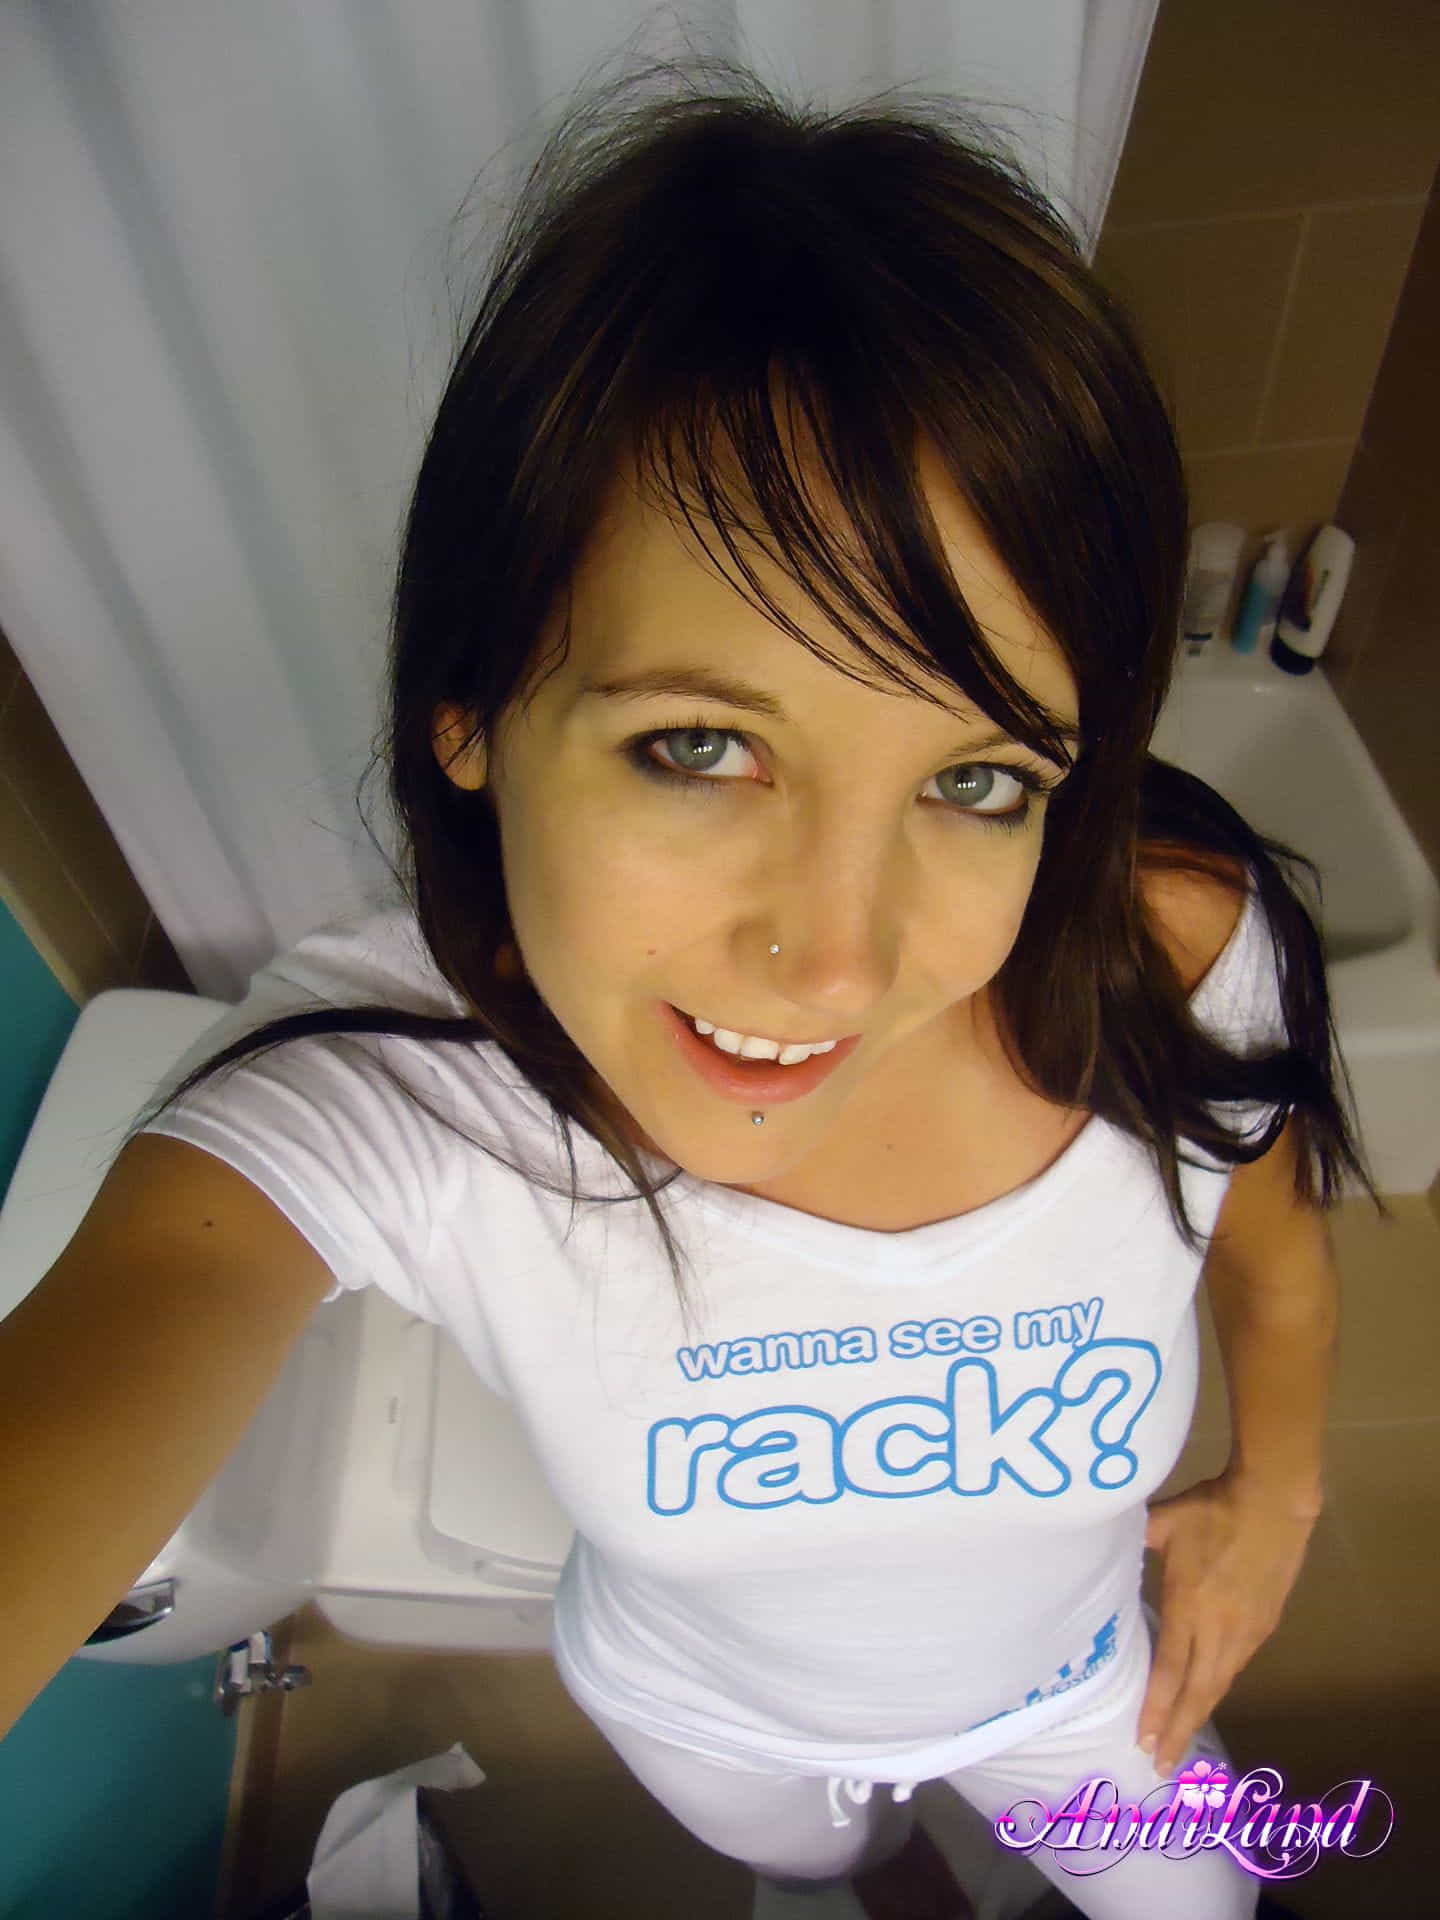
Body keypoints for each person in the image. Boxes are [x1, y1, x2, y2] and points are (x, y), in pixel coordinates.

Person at [1, 50, 1376, 1920]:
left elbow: (1277, 1263)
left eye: (980, 780)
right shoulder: (394, 1096)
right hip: (708, 1721)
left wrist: (1273, 1500)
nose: (841, 958)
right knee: (826, 1876)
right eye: (701, 747)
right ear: (472, 714)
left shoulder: (1173, 948)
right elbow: (154, 1301)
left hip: (1079, 1699)